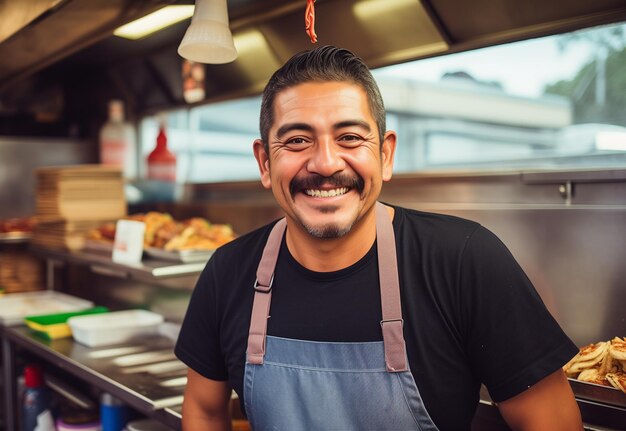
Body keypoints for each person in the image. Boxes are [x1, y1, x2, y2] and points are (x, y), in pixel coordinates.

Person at [175, 45, 582, 430]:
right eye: (297, 140)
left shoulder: (464, 261)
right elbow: (204, 410)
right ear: (265, 162)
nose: (326, 163)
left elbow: (551, 422)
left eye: (350, 137)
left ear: (385, 155)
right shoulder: (227, 273)